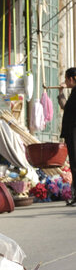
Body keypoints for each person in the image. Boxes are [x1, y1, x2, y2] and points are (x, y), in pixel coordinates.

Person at [58, 67, 76, 206]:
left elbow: (66, 108)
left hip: (74, 132)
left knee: (75, 163)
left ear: (71, 79)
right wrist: (61, 93)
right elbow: (66, 107)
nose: (65, 81)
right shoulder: (73, 93)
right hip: (71, 133)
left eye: (66, 79)